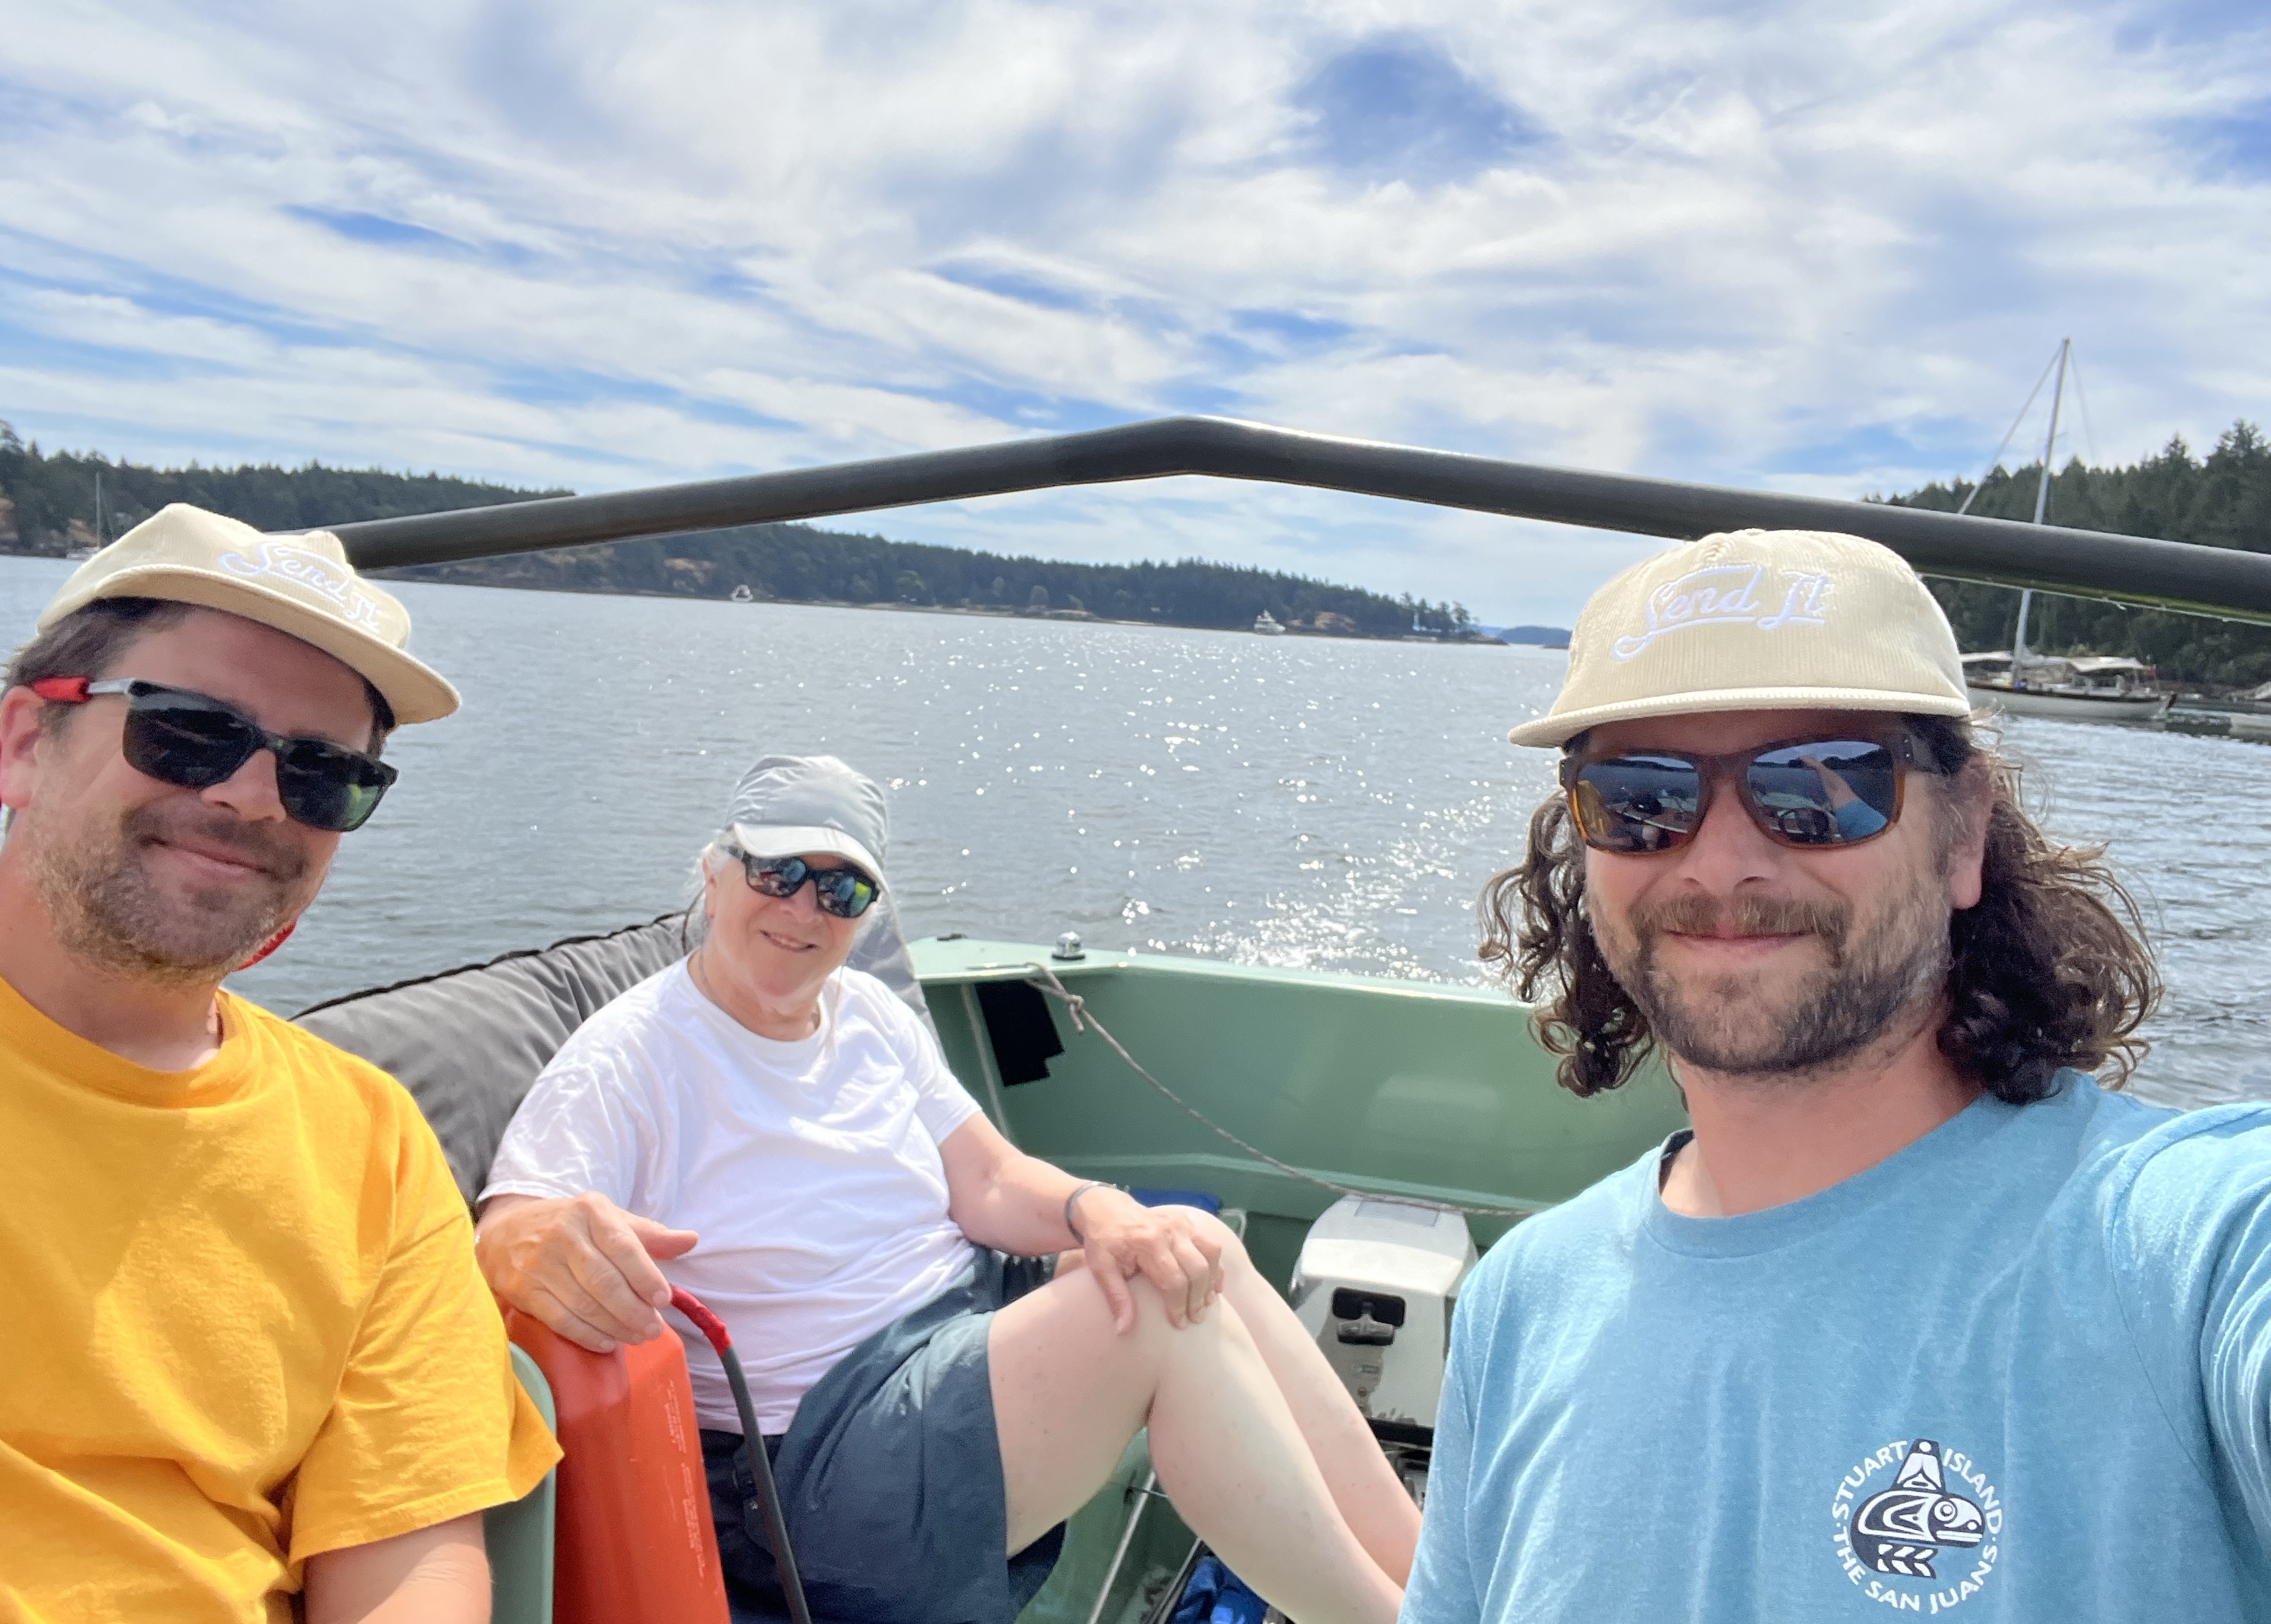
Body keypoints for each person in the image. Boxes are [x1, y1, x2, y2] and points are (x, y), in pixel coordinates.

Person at [1401, 526, 2271, 1621]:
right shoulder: (1518, 1305)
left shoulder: (2183, 1252)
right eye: (1640, 796)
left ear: (1964, 830)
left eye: (1818, 786)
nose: (1722, 863)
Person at [477, 753, 1419, 1624]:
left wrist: (1094, 1210)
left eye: (842, 889)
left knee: (1189, 1246)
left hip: (956, 1329)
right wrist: (540, 1241)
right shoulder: (628, 1057)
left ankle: (1435, 1578)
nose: (804, 909)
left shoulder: (867, 1012)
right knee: (1158, 1310)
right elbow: (510, 1229)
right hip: (816, 1460)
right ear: (714, 872)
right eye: (777, 872)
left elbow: (990, 1179)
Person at [0, 506, 558, 1624]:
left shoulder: (370, 1143)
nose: (252, 797)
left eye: (322, 773)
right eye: (190, 730)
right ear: (24, 741)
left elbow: (405, 1562)